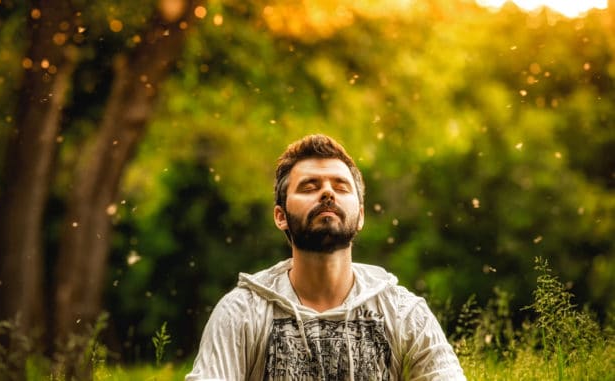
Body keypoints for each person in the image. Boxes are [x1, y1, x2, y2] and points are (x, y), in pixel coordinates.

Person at [186, 134, 465, 380]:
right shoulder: (242, 313)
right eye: (310, 186)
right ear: (280, 216)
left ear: (361, 216)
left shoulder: (404, 313)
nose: (328, 192)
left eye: (341, 186)